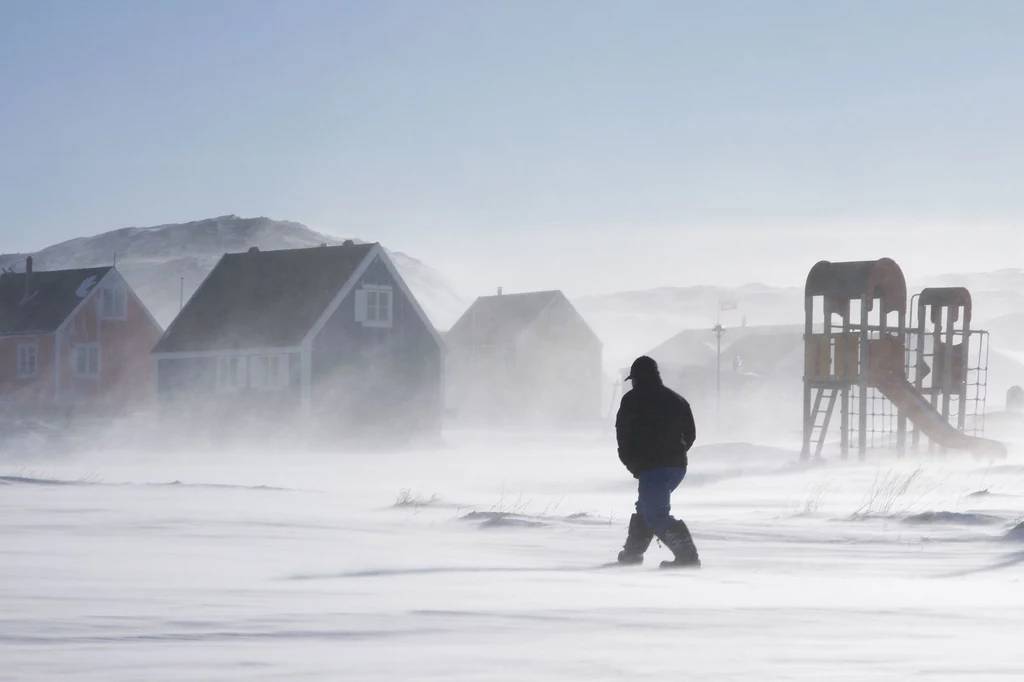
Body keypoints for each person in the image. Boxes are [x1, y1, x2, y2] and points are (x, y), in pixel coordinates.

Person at [615, 355, 700, 568]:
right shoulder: (676, 399)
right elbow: (690, 433)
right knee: (647, 507)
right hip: (676, 466)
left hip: (652, 467)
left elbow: (623, 434)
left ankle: (687, 557)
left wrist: (632, 461)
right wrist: (678, 453)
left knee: (656, 514)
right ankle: (633, 553)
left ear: (636, 378)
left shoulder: (632, 399)